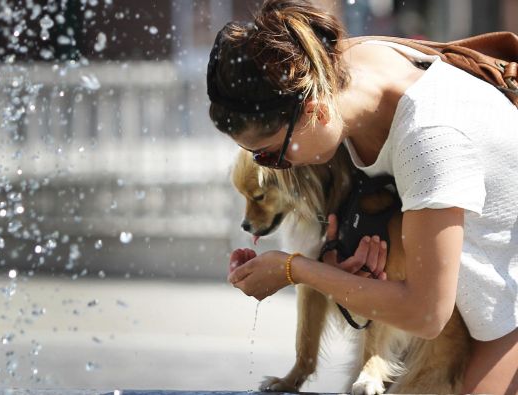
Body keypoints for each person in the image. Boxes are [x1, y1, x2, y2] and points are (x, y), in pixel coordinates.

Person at [206, 0, 518, 393]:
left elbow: (425, 313)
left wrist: (294, 269)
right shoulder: (339, 69)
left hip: (503, 323)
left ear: (315, 112)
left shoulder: (429, 137)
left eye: (270, 153)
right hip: (464, 312)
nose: (276, 168)